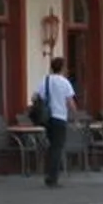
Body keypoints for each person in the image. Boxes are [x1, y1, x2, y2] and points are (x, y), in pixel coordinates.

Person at [39, 57, 77, 188]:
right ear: (62, 68)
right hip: (60, 117)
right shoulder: (65, 82)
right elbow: (70, 102)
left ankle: (48, 174)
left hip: (48, 119)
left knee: (51, 147)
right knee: (57, 148)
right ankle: (53, 178)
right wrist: (75, 117)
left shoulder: (45, 80)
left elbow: (36, 96)